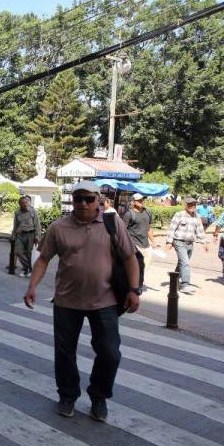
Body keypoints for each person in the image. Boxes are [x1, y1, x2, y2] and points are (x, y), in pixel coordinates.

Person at [23, 180, 140, 423]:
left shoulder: (112, 223)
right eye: (78, 199)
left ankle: (99, 396)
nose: (84, 203)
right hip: (67, 301)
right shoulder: (58, 227)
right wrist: (32, 285)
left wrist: (134, 290)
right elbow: (44, 259)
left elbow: (130, 257)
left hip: (105, 300)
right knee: (65, 353)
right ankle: (67, 395)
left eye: (89, 198)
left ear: (99, 200)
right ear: (72, 201)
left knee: (110, 353)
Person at [165, 197, 209, 293]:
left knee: (182, 263)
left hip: (190, 243)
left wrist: (204, 242)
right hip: (179, 242)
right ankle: (185, 284)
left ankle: (174, 280)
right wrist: (169, 241)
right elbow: (172, 228)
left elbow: (200, 230)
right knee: (185, 263)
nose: (192, 206)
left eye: (194, 204)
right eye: (190, 204)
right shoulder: (179, 215)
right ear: (185, 205)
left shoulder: (197, 216)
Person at [121, 193, 156, 292]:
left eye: (142, 200)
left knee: (145, 266)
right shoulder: (129, 214)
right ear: (133, 202)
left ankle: (136, 282)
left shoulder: (148, 212)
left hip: (146, 244)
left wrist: (153, 242)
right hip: (134, 244)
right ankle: (137, 286)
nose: (141, 202)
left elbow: (149, 228)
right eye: (139, 200)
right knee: (138, 265)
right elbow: (123, 230)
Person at [11, 195, 41, 277]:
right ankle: (27, 267)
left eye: (26, 203)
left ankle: (27, 270)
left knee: (29, 253)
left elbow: (37, 225)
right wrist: (13, 235)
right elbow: (15, 225)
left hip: (30, 234)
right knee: (18, 252)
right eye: (23, 204)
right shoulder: (17, 213)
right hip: (20, 235)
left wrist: (37, 236)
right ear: (20, 204)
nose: (25, 206)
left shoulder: (33, 211)